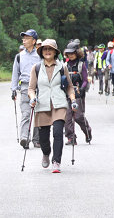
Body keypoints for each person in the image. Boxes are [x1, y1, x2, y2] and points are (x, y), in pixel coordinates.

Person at [28, 39, 77, 173]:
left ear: (55, 52)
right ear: (41, 52)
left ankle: (56, 161)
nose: (48, 52)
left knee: (57, 133)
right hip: (42, 105)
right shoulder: (36, 68)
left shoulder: (62, 67)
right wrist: (32, 98)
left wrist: (73, 100)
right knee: (43, 138)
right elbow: (31, 88)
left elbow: (70, 88)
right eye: (45, 49)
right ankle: (46, 153)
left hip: (59, 104)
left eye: (50, 49)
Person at [11, 29, 41, 148]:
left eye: (27, 38)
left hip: (39, 87)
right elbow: (15, 73)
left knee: (38, 113)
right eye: (23, 38)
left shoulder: (40, 55)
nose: (24, 40)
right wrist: (13, 89)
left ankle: (37, 139)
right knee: (26, 113)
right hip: (24, 86)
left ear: (33, 41)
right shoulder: (19, 56)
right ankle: (25, 138)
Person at [63, 42, 92, 145]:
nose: (70, 55)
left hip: (78, 92)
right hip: (66, 93)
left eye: (73, 53)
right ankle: (71, 137)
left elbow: (85, 80)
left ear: (77, 53)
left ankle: (87, 132)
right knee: (67, 117)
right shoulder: (65, 65)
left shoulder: (81, 65)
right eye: (69, 53)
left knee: (78, 116)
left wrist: (82, 88)